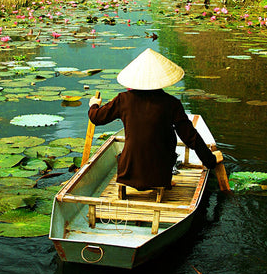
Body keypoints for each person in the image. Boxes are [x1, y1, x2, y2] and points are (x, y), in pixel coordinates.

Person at [88, 48, 221, 192]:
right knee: (169, 137)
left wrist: (94, 104)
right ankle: (165, 178)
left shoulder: (123, 100)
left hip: (128, 173)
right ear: (161, 80)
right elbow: (190, 137)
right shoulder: (172, 103)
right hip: (160, 175)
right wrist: (210, 161)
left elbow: (96, 118)